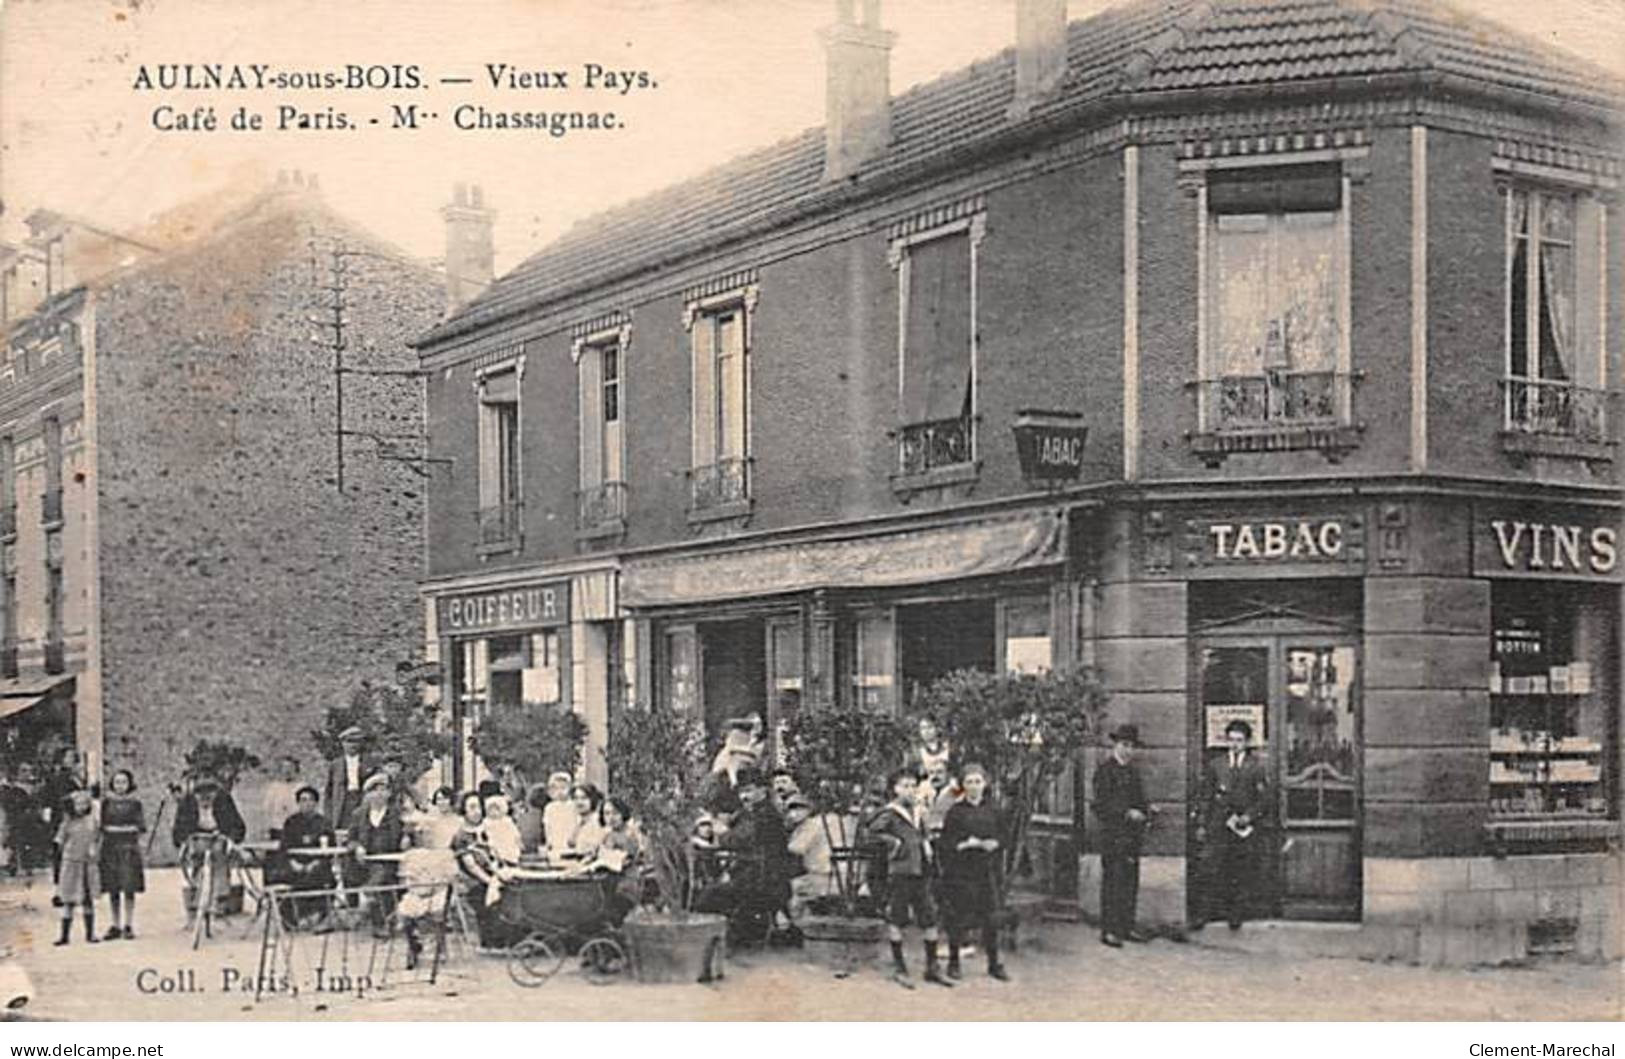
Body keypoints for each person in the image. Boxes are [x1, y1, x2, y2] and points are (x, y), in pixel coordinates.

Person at [865, 768, 952, 988]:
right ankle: (899, 967)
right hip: (899, 873)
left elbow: (924, 834)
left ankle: (932, 967)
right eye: (904, 786)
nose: (910, 790)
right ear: (894, 789)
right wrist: (894, 843)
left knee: (929, 918)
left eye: (913, 785)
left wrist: (926, 840)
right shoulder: (889, 813)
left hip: (921, 871)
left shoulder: (918, 811)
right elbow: (871, 835)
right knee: (897, 918)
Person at [1199, 718, 1270, 931]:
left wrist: (1249, 816)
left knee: (1238, 871)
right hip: (1218, 825)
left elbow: (1264, 799)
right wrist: (1203, 823)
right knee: (1211, 868)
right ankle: (1205, 913)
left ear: (1247, 742)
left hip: (1242, 828)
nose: (1235, 744)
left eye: (1239, 740)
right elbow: (1206, 796)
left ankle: (1235, 915)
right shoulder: (1216, 765)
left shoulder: (1255, 767)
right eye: (1231, 740)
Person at [940, 763, 1007, 980]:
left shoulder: (994, 810)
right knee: (958, 918)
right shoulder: (956, 812)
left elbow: (1005, 838)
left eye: (978, 781)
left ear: (985, 783)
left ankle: (994, 964)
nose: (974, 786)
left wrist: (995, 844)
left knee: (991, 919)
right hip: (962, 872)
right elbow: (946, 844)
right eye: (969, 782)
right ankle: (953, 963)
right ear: (963, 785)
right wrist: (964, 844)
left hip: (987, 872)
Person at [712, 768, 790, 941]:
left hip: (762, 882)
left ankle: (719, 940)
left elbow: (738, 840)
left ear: (762, 790)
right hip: (762, 877)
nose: (743, 796)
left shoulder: (764, 815)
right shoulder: (756, 813)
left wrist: (722, 832)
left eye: (748, 790)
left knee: (707, 896)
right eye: (741, 792)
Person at [1093, 723, 1151, 947]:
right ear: (1116, 745)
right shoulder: (1105, 771)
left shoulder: (1132, 772)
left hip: (1132, 836)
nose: (1128, 750)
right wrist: (1127, 813)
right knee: (1113, 882)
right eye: (1124, 745)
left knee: (1130, 881)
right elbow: (1101, 806)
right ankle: (1109, 930)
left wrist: (1146, 810)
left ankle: (1127, 927)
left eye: (1132, 746)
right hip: (1113, 835)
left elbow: (1139, 799)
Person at [172, 774, 246, 925]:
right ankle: (195, 900)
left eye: (210, 793)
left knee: (219, 860)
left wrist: (230, 839)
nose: (205, 798)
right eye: (200, 794)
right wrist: (184, 842)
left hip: (218, 838)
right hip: (197, 839)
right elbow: (178, 828)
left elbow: (238, 826)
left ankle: (219, 900)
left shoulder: (224, 801)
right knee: (196, 866)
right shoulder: (187, 803)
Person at [346, 773, 406, 932]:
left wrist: (406, 838)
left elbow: (406, 834)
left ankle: (378, 918)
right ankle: (379, 920)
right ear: (368, 794)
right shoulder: (359, 814)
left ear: (389, 793)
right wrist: (357, 846)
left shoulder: (396, 814)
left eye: (384, 790)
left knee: (383, 875)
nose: (380, 794)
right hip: (363, 863)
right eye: (376, 790)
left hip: (389, 862)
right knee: (373, 876)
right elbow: (350, 839)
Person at [278, 786, 336, 930]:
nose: (307, 803)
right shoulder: (291, 822)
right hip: (295, 864)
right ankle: (293, 917)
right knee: (293, 878)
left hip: (317, 864)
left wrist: (315, 862)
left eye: (310, 800)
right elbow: (284, 847)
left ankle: (319, 916)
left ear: (316, 803)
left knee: (323, 878)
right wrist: (293, 862)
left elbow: (330, 849)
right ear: (298, 803)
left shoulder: (323, 822)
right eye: (303, 800)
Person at [98, 769, 145, 940]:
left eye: (123, 782)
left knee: (129, 887)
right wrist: (116, 830)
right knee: (113, 888)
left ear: (129, 784)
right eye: (117, 782)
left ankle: (128, 924)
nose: (120, 786)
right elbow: (102, 826)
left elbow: (139, 827)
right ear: (112, 784)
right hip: (109, 849)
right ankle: (115, 924)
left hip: (128, 849)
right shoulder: (106, 803)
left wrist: (116, 830)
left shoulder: (135, 803)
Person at [53, 789, 100, 946]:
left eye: (84, 804)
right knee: (68, 900)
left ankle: (90, 933)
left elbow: (97, 838)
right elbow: (59, 842)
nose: (81, 807)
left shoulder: (92, 821)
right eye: (78, 804)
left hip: (87, 864)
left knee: (87, 899)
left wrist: (95, 850)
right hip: (71, 863)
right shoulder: (67, 823)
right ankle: (64, 936)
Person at [322, 726, 374, 835]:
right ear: (343, 743)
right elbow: (329, 792)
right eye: (349, 741)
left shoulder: (369, 762)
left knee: (362, 829)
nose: (353, 745)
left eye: (356, 742)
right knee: (343, 832)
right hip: (343, 803)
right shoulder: (335, 765)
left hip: (361, 800)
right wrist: (329, 814)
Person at [551, 783, 606, 862]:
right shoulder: (579, 822)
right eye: (576, 798)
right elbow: (571, 844)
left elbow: (594, 850)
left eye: (584, 798)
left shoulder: (598, 822)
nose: (579, 802)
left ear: (593, 800)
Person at [261, 755, 302, 841]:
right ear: (280, 770)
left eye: (290, 767)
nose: (287, 771)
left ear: (296, 769)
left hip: (296, 829)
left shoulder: (301, 787)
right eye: (284, 767)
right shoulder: (273, 788)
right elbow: (267, 810)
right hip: (278, 828)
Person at [481, 794, 523, 867]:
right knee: (494, 851)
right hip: (494, 840)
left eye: (496, 809)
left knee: (509, 853)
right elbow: (482, 831)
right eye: (490, 810)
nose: (493, 812)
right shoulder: (486, 822)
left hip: (506, 841)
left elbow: (514, 831)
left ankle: (510, 863)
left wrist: (518, 841)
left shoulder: (507, 821)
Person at [538, 772, 574, 853]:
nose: (560, 791)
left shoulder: (573, 806)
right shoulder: (549, 808)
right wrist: (549, 840)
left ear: (569, 788)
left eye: (563, 788)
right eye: (556, 788)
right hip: (555, 841)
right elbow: (547, 826)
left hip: (569, 839)